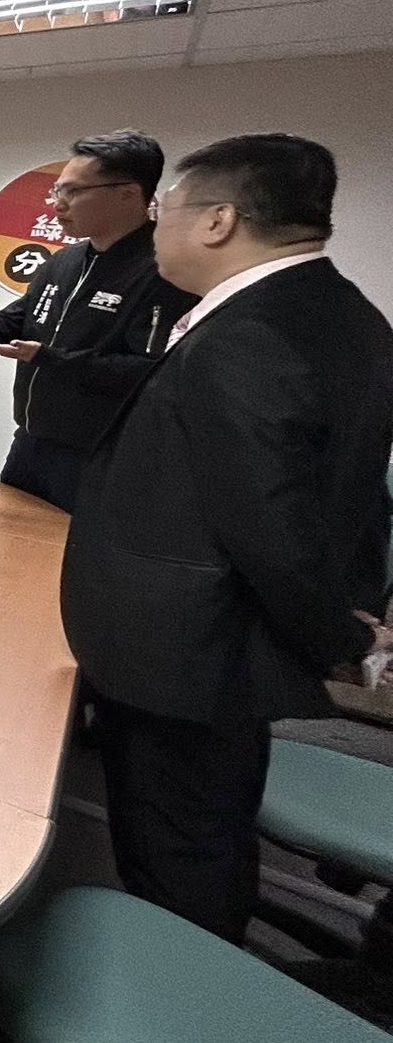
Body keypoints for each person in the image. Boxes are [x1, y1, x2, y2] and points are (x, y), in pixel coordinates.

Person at [62, 133, 393, 945]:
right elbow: (337, 492)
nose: (158, 227)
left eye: (166, 208)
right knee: (204, 824)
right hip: (215, 647)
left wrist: (342, 636)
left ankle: (184, 986)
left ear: (218, 221)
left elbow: (271, 522)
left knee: (177, 848)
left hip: (190, 653)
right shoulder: (337, 312)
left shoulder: (253, 332)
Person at [0, 130, 195, 510]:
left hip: (101, 456)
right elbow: (9, 326)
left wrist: (48, 358)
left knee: (65, 549)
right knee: (8, 539)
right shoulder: (64, 261)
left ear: (128, 193)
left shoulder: (165, 272)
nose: (58, 204)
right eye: (57, 191)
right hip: (30, 444)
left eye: (73, 192)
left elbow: (151, 372)